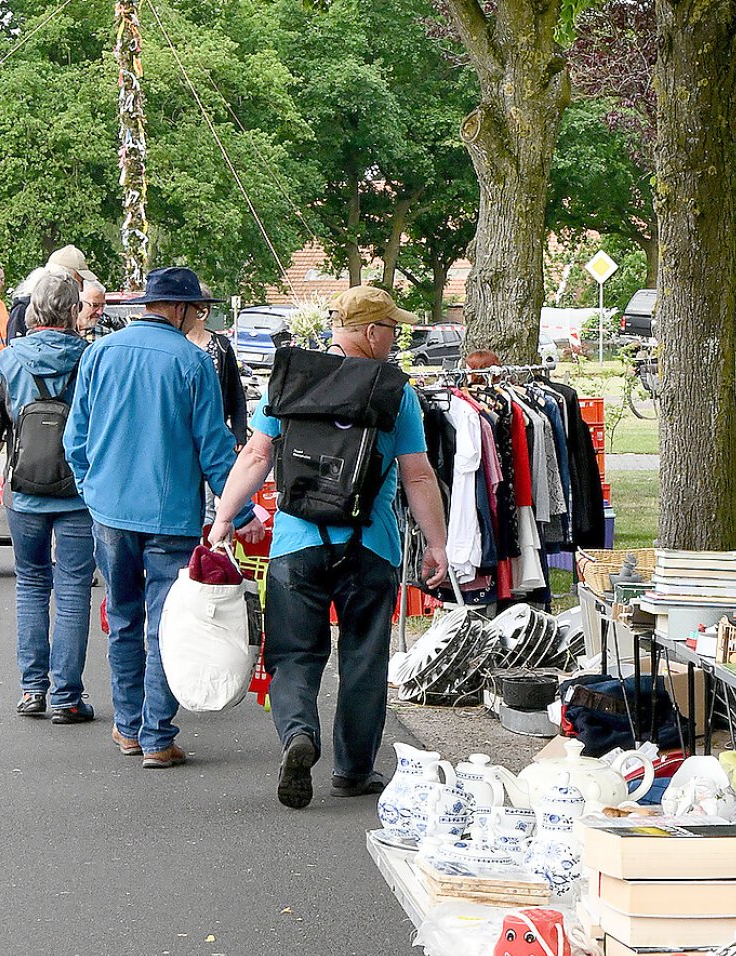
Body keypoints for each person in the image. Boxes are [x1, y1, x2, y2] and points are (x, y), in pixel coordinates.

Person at [210, 284, 449, 810]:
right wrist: (437, 544)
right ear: (370, 332)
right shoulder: (396, 391)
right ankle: (353, 769)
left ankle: (299, 735)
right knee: (364, 658)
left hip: (296, 543)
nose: (396, 338)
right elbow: (417, 474)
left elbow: (256, 453)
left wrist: (225, 517)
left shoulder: (293, 379)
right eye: (392, 328)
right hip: (371, 546)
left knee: (295, 654)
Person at [64, 267, 264, 769]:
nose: (197, 316)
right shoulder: (193, 362)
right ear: (177, 309)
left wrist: (92, 489)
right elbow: (216, 450)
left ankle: (128, 727)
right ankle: (156, 735)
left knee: (124, 616)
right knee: (165, 624)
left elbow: (76, 439)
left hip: (110, 509)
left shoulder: (99, 353)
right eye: (195, 309)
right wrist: (240, 512)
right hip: (170, 514)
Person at [0, 273, 98, 723]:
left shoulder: (8, 360)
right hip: (79, 494)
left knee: (31, 584)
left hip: (24, 493)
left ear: (34, 310)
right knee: (74, 589)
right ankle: (66, 697)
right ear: (73, 311)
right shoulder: (91, 360)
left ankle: (32, 689)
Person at [184, 297, 247, 450]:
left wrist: (240, 434)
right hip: (182, 432)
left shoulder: (221, 346)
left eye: (184, 308)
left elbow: (235, 392)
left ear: (202, 313)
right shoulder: (174, 344)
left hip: (214, 433)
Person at [9, 246, 101, 340]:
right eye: (79, 280)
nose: (81, 289)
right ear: (63, 277)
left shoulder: (69, 307)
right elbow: (14, 347)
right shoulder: (23, 307)